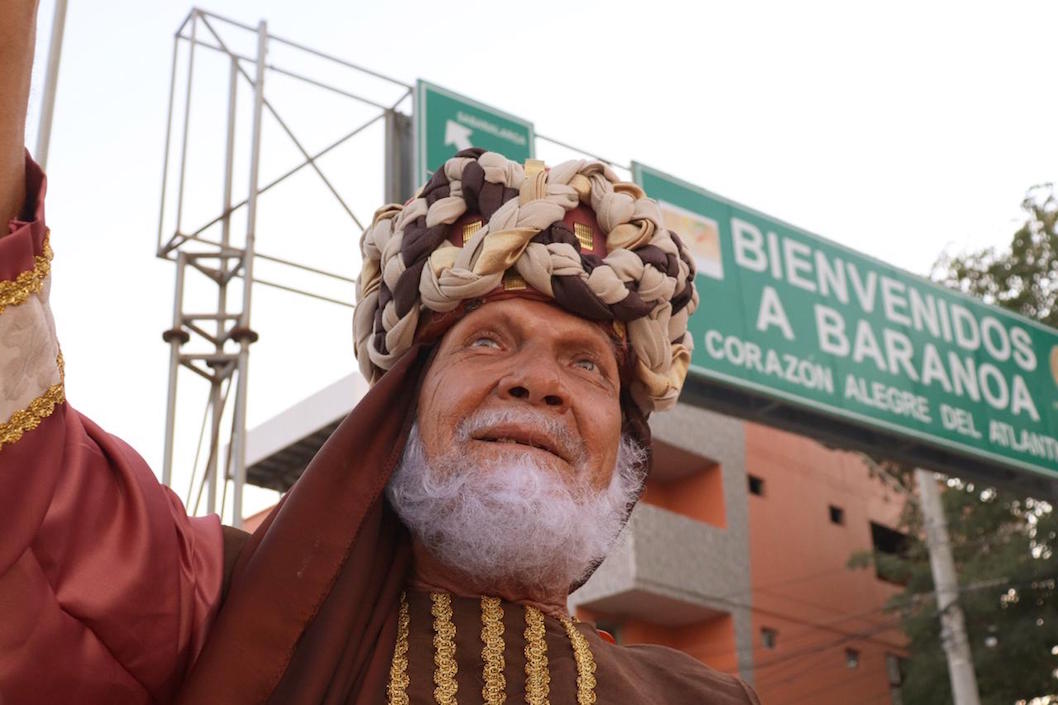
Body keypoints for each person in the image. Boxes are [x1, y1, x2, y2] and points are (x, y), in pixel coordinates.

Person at [0, 2, 761, 703]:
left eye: (585, 363)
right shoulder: (223, 604)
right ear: (401, 411)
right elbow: (34, 500)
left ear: (626, 451)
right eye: (488, 340)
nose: (536, 381)